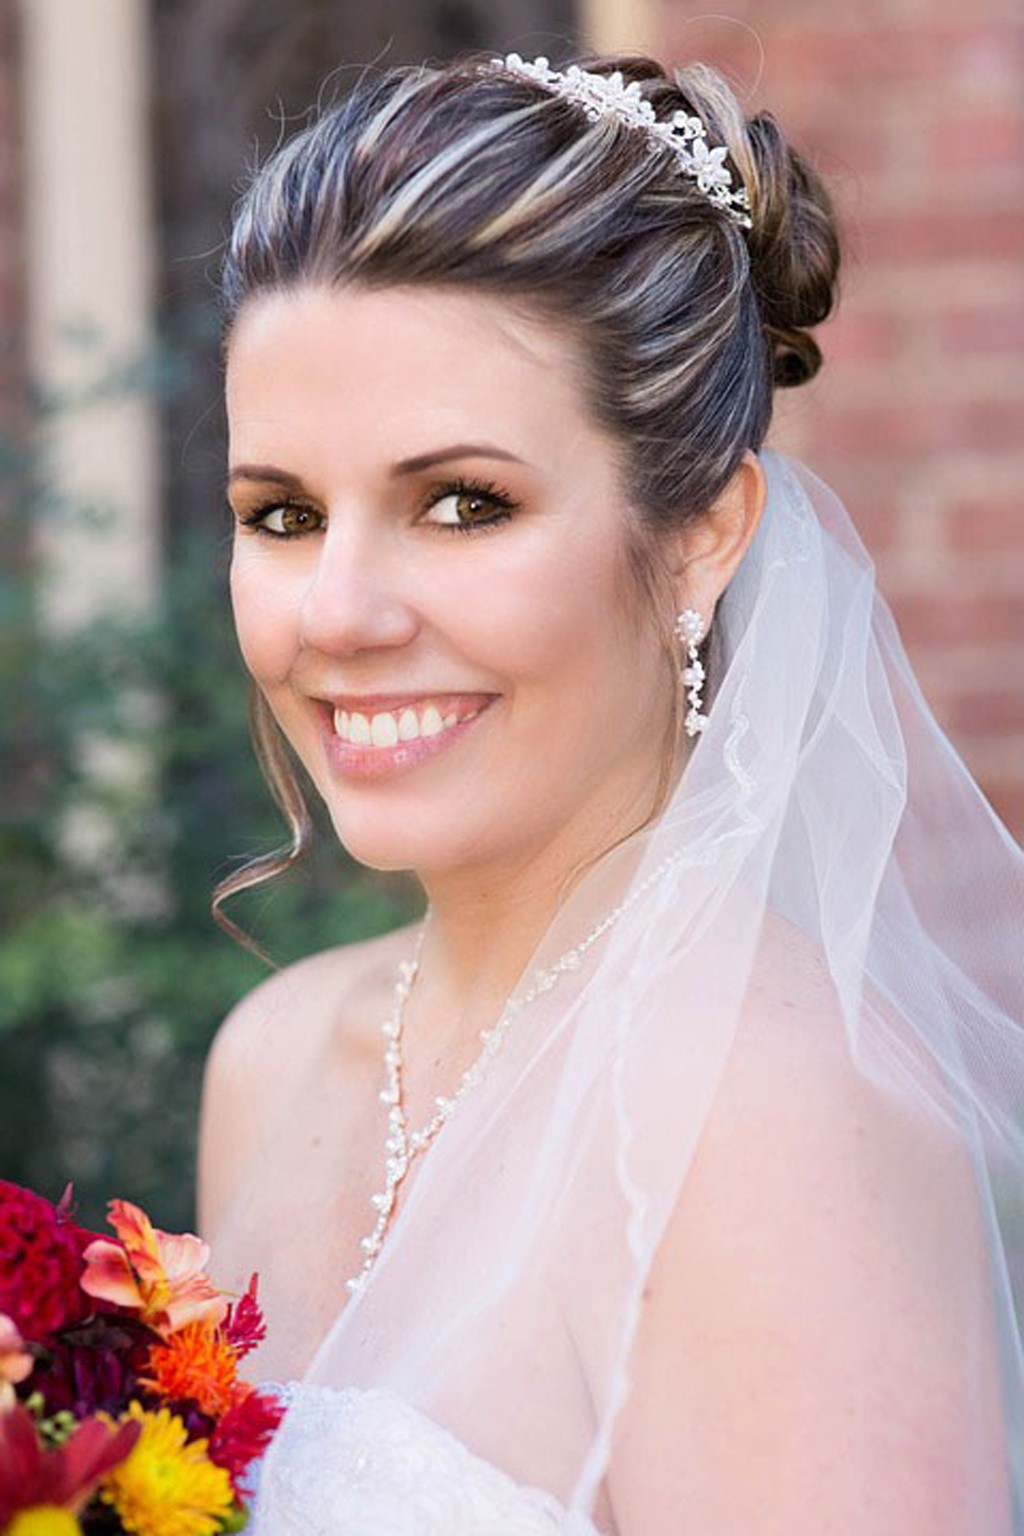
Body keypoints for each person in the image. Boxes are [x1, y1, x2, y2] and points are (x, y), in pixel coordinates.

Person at [197, 49, 1024, 1534]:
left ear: (700, 537)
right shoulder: (270, 1062)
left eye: (464, 504)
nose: (339, 614)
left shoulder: (778, 1124)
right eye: (284, 513)